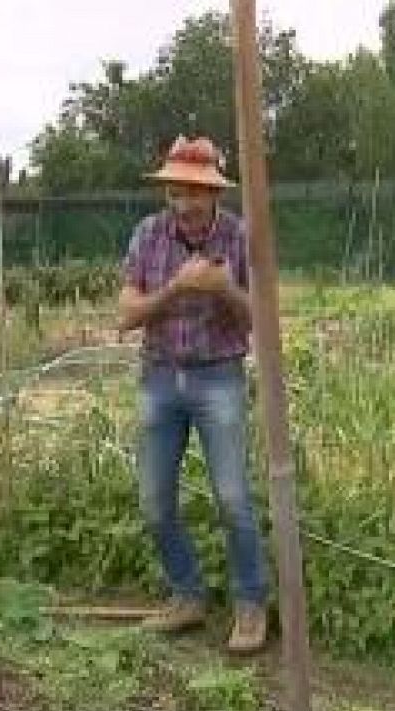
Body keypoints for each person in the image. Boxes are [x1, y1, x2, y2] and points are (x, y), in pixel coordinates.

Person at [116, 136, 270, 654]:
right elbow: (126, 315)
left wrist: (225, 289)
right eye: (175, 191)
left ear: (215, 193)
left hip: (218, 376)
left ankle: (251, 603)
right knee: (154, 502)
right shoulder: (148, 234)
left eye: (195, 192)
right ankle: (187, 596)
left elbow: (263, 319)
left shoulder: (238, 237)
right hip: (159, 377)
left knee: (232, 497)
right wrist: (177, 288)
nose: (184, 203)